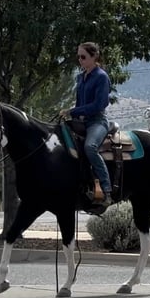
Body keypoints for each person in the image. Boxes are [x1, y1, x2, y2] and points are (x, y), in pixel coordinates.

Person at [60, 42, 112, 207]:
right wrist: (70, 116)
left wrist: (73, 111)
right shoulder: (80, 77)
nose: (80, 60)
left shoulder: (102, 77)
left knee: (90, 147)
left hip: (97, 121)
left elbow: (99, 105)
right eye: (78, 57)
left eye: (83, 56)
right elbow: (79, 103)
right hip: (81, 121)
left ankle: (106, 189)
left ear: (94, 56)